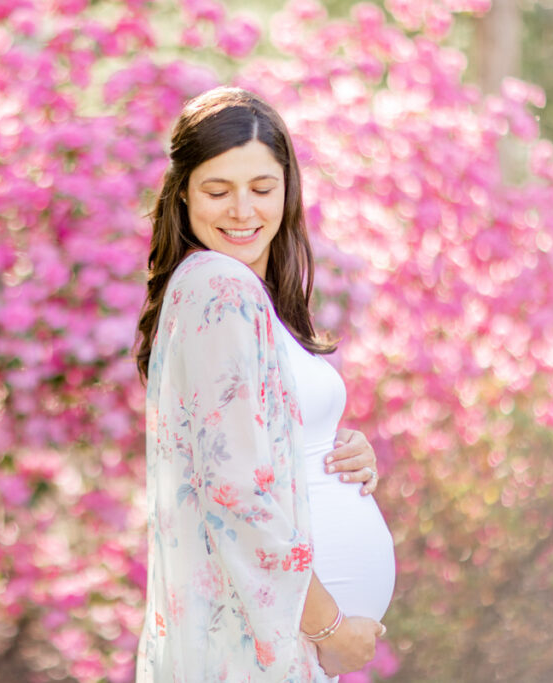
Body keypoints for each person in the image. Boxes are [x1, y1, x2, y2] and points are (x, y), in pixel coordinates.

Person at [134, 86, 396, 681]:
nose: (242, 210)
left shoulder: (246, 296)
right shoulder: (220, 286)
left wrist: (339, 449)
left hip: (276, 638)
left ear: (288, 189)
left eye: (261, 188)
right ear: (182, 194)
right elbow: (235, 493)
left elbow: (260, 446)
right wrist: (330, 629)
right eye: (217, 190)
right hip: (270, 637)